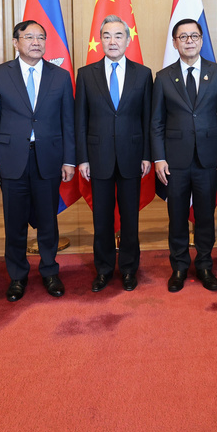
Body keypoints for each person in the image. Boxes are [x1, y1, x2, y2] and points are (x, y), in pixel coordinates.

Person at [0, 21, 76, 300]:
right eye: (29, 37)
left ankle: (50, 271)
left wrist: (69, 159)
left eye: (41, 37)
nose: (36, 42)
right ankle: (18, 276)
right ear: (16, 42)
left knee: (48, 220)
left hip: (49, 158)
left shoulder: (59, 76)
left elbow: (67, 122)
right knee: (15, 222)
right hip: (11, 160)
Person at [151, 18, 217, 292]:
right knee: (176, 215)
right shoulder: (163, 77)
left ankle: (205, 265)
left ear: (201, 40)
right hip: (174, 160)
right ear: (175, 43)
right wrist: (159, 158)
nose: (189, 40)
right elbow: (157, 122)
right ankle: (179, 266)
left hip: (209, 158)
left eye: (194, 36)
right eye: (183, 37)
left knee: (205, 215)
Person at [75, 15, 152, 292]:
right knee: (102, 219)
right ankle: (104, 269)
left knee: (130, 219)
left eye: (118, 35)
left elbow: (148, 119)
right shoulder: (86, 74)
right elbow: (80, 120)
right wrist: (82, 157)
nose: (112, 41)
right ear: (100, 40)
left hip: (133, 157)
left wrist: (147, 155)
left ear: (128, 40)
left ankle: (130, 269)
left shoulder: (143, 74)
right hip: (98, 159)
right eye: (107, 35)